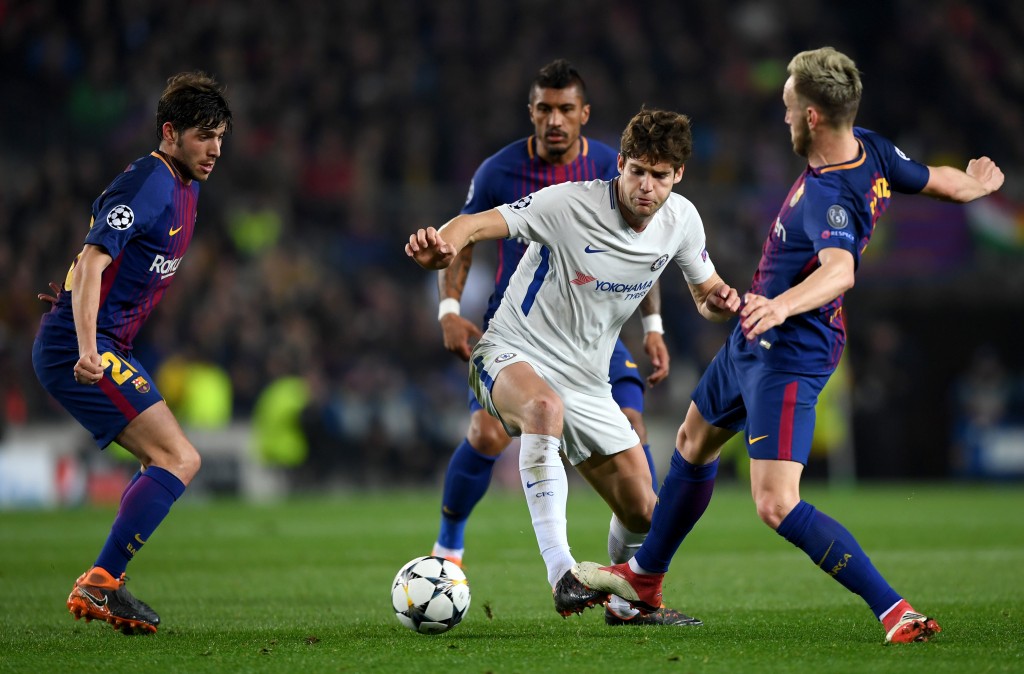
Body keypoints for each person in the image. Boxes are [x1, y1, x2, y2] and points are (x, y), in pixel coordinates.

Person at [571, 46, 1005, 644]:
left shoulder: (831, 197)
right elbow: (937, 182)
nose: (781, 116)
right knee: (693, 442)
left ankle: (895, 610)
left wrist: (781, 304)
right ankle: (643, 582)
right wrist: (974, 187)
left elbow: (840, 271)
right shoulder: (872, 147)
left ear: (811, 119)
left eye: (787, 105)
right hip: (754, 336)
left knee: (775, 503)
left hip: (792, 347)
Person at [407, 107, 741, 620]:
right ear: (621, 164)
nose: (646, 186)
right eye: (637, 171)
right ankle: (561, 573)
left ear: (678, 175)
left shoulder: (682, 221)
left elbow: (705, 291)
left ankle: (626, 605)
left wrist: (720, 302)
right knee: (542, 408)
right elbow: (476, 222)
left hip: (588, 378)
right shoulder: (569, 203)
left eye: (659, 175)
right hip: (511, 351)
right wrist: (442, 246)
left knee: (644, 513)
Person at [428, 58, 679, 626]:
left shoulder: (619, 173)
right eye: (544, 108)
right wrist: (449, 309)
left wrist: (653, 327)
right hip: (522, 331)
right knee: (487, 432)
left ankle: (629, 591)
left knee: (635, 438)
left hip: (599, 334)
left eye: (566, 109)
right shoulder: (501, 170)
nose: (555, 119)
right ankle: (449, 547)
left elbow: (646, 250)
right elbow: (465, 236)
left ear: (585, 115)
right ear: (531, 113)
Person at [32, 71, 232, 635]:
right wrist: (87, 344)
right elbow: (95, 259)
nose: (215, 150)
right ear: (170, 133)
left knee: (161, 462)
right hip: (81, 348)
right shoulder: (149, 181)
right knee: (179, 458)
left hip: (103, 342)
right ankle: (102, 580)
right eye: (203, 137)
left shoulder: (186, 187)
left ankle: (107, 583)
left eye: (220, 137)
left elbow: (91, 263)